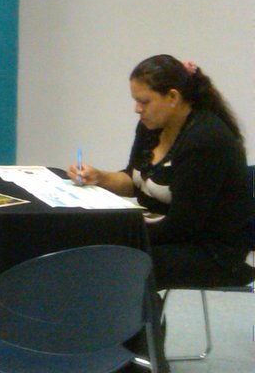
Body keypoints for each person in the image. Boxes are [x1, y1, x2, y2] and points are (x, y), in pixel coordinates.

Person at [68, 55, 252, 290]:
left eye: (144, 101)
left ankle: (133, 315)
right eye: (136, 101)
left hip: (211, 252)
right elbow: (135, 181)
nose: (137, 109)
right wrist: (99, 178)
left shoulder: (205, 141)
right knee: (91, 245)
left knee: (114, 261)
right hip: (170, 236)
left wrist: (121, 232)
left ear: (173, 97)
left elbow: (183, 226)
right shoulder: (151, 126)